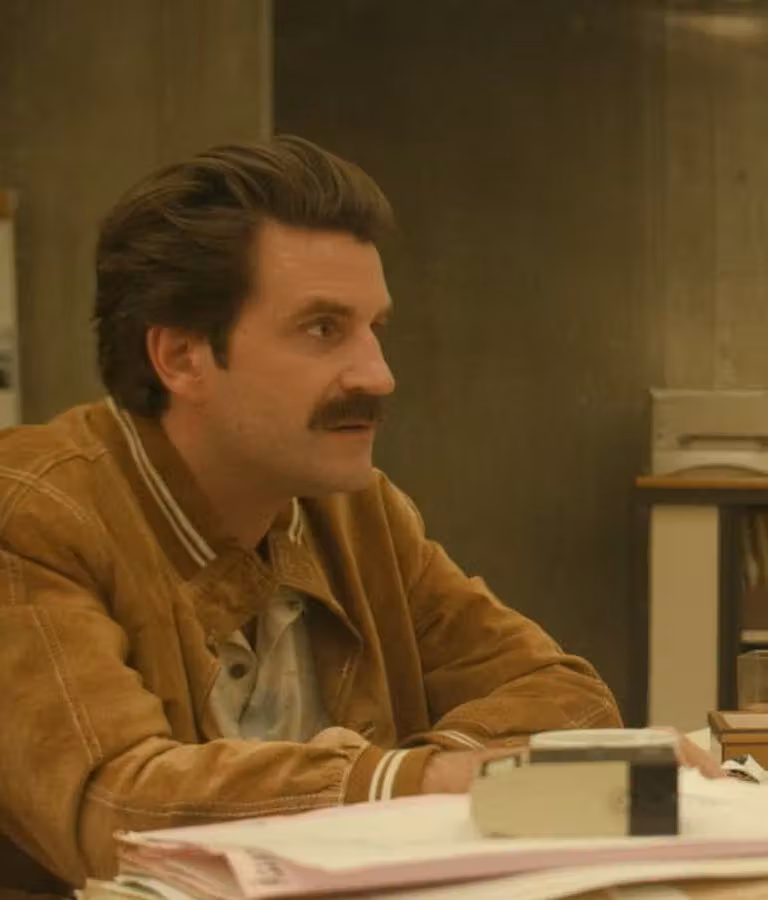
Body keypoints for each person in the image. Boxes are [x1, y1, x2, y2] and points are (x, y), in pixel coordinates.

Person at [0, 135, 712, 896]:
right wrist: (426, 781)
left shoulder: (355, 508)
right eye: (322, 329)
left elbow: (566, 696)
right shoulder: (32, 513)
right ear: (180, 357)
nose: (378, 374)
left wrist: (444, 776)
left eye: (376, 328)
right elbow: (116, 808)